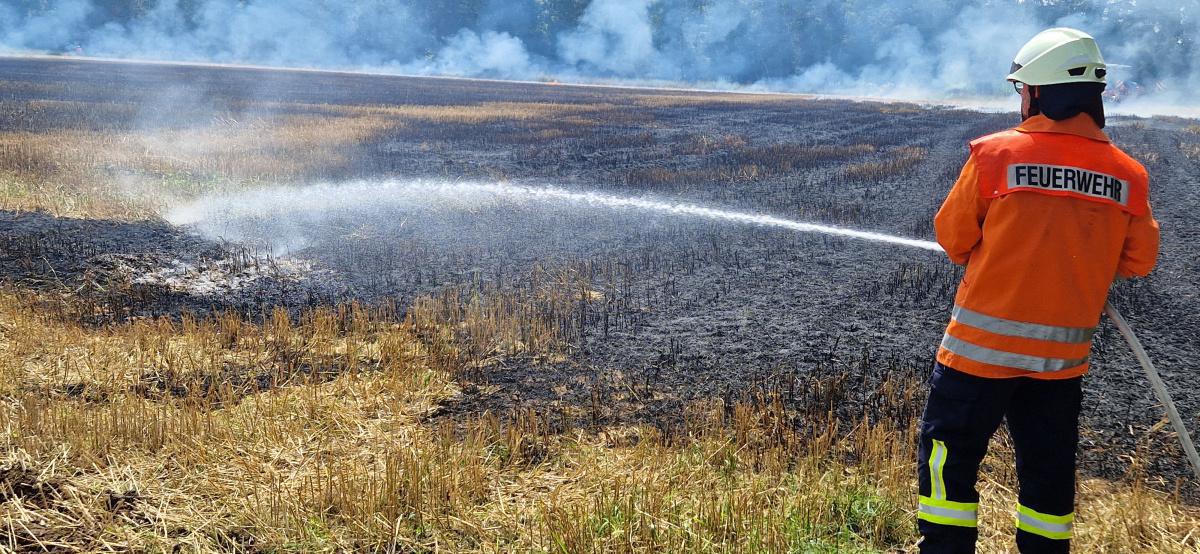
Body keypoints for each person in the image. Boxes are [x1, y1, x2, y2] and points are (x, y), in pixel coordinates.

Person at [917, 27, 1160, 553]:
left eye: (1022, 88)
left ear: (1038, 92)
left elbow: (953, 239)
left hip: (976, 360)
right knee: (1048, 478)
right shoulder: (1128, 175)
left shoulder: (996, 155)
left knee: (948, 462)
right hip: (1058, 367)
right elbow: (1139, 261)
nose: (1020, 98)